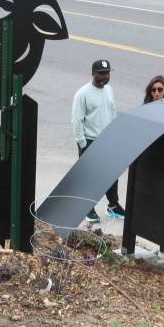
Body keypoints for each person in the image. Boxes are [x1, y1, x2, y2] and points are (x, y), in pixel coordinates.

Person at [72, 59, 125, 221]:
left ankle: (113, 206)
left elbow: (112, 112)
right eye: (101, 73)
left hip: (107, 140)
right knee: (90, 178)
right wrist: (82, 144)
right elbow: (77, 121)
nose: (105, 76)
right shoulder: (83, 94)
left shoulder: (109, 90)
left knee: (111, 175)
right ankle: (88, 209)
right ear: (93, 73)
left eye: (107, 73)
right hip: (89, 141)